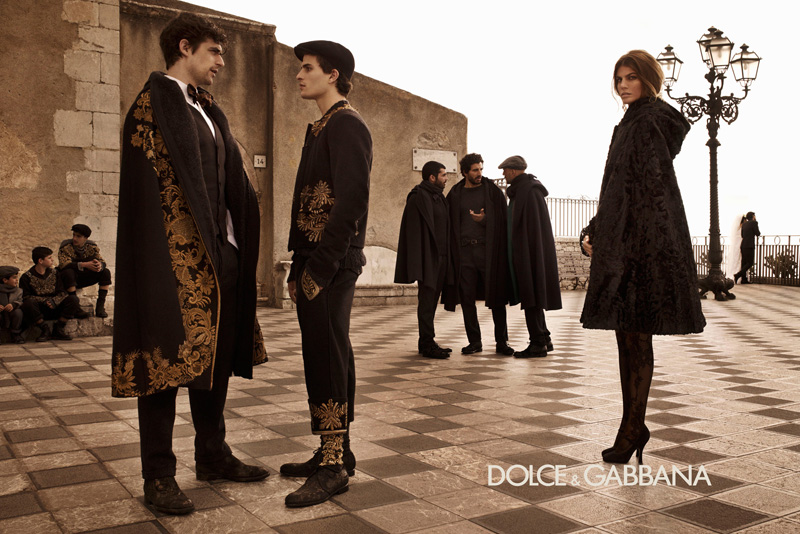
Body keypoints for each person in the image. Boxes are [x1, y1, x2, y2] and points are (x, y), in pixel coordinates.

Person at [113, 12, 268, 515]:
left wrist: (235, 245)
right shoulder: (151, 107)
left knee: (216, 360)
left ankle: (212, 454)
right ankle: (158, 474)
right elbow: (147, 197)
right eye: (214, 52)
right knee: (163, 361)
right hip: (172, 259)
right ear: (185, 47)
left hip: (222, 255)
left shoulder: (206, 108)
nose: (221, 62)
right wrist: (161, 263)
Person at [580, 50, 705, 464]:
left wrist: (614, 236)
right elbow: (618, 187)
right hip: (631, 243)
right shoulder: (632, 122)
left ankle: (633, 427)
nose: (622, 86)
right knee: (629, 338)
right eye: (619, 79)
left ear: (649, 79)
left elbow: (645, 190)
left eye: (631, 77)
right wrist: (596, 228)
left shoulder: (646, 122)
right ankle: (632, 424)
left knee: (635, 338)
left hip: (640, 248)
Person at [281, 40, 371, 508]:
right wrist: (299, 264)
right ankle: (336, 450)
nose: (299, 75)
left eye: (308, 68)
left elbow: (351, 202)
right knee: (328, 352)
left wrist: (319, 266)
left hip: (331, 263)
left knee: (326, 356)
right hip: (315, 259)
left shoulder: (346, 124)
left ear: (333, 75)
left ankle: (333, 465)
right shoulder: (321, 126)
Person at [443, 153, 514, 355]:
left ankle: (502, 342)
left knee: (497, 297)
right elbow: (448, 223)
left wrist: (484, 220)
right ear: (465, 172)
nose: (479, 173)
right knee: (467, 299)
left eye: (481, 169)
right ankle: (475, 342)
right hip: (464, 253)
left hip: (488, 253)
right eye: (475, 170)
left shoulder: (492, 191)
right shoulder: (455, 194)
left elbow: (503, 219)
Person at [499, 156, 562, 358]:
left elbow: (532, 228)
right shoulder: (523, 190)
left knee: (531, 296)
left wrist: (526, 253)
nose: (503, 174)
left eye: (505, 170)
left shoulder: (528, 191)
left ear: (513, 171)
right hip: (525, 252)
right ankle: (544, 338)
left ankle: (537, 344)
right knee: (531, 296)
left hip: (529, 254)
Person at [395, 161, 453, 359]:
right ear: (432, 177)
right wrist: (419, 262)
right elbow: (413, 233)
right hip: (428, 259)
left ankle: (425, 341)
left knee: (432, 301)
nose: (446, 178)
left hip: (442, 258)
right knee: (427, 301)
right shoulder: (418, 197)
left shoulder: (440, 197)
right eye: (443, 175)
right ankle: (427, 343)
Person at [19, 247, 84, 342]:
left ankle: (59, 328)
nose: (52, 260)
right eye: (49, 258)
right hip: (39, 310)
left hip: (55, 307)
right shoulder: (26, 277)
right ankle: (45, 329)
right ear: (40, 261)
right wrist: (44, 301)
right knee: (28, 303)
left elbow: (62, 292)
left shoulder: (55, 273)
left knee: (73, 299)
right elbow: (26, 296)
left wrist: (54, 301)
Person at [58, 223, 112, 318]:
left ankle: (100, 307)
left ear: (85, 238)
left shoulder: (92, 246)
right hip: (69, 279)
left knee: (105, 272)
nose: (75, 238)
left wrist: (99, 265)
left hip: (84, 277)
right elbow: (64, 264)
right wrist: (84, 264)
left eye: (78, 236)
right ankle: (76, 308)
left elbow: (101, 260)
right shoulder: (66, 246)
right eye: (74, 235)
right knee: (68, 272)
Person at [0, 266, 25, 344]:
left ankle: (15, 334)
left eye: (17, 277)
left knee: (18, 312)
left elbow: (20, 301)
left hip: (11, 315)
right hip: (1, 316)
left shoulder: (18, 291)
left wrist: (13, 305)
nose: (17, 280)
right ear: (5, 280)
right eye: (14, 278)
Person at [736, 212, 760, 284]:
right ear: (753, 216)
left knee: (744, 263)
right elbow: (758, 233)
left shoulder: (744, 224)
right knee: (750, 263)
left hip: (743, 245)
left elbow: (742, 235)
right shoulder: (754, 223)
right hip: (749, 245)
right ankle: (737, 275)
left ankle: (744, 279)